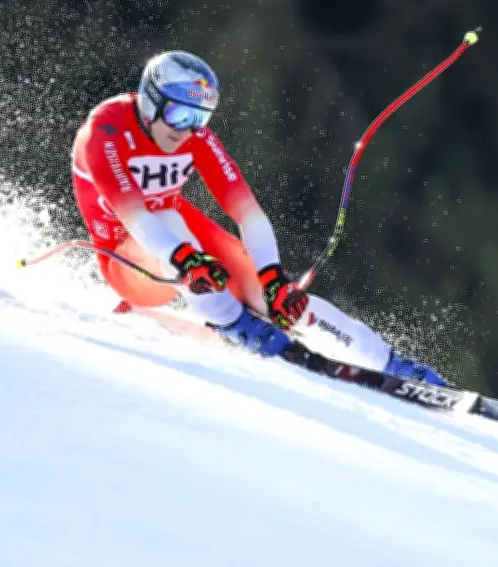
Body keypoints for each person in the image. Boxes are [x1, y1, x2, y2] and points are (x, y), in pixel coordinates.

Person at [70, 50, 448, 386]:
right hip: (128, 257)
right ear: (150, 101)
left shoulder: (195, 136)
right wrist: (184, 258)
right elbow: (135, 216)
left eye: (199, 117)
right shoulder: (105, 131)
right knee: (171, 222)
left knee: (280, 302)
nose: (186, 129)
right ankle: (234, 324)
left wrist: (272, 277)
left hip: (180, 237)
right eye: (178, 114)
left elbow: (248, 212)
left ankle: (391, 363)